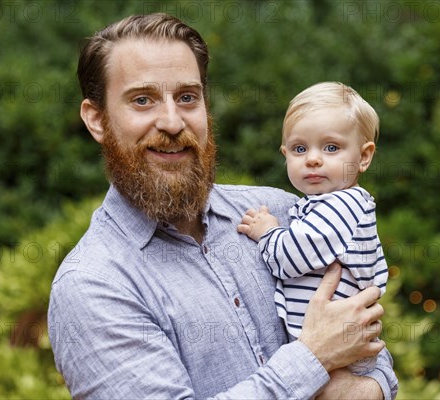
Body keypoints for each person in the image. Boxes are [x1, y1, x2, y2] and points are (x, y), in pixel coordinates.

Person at [48, 13, 398, 399]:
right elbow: (327, 347)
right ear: (96, 119)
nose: (171, 121)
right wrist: (312, 358)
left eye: (187, 97)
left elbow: (366, 343)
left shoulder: (280, 211)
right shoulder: (93, 285)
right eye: (142, 100)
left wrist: (366, 389)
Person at [237, 82, 389, 376]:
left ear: (364, 156)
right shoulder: (321, 205)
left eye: (331, 147)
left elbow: (291, 258)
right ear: (285, 154)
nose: (313, 158)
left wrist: (267, 231)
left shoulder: (344, 205)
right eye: (299, 148)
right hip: (326, 351)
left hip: (343, 357)